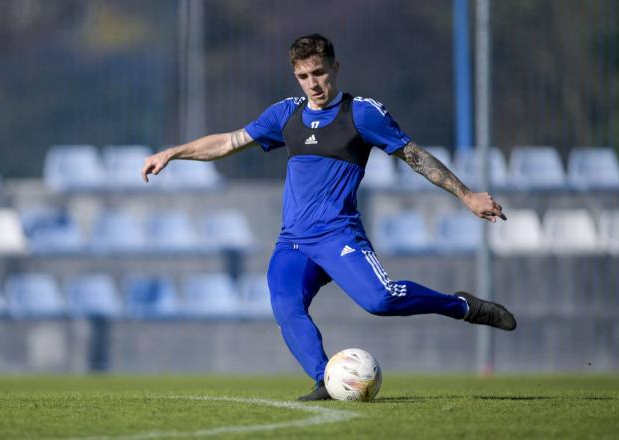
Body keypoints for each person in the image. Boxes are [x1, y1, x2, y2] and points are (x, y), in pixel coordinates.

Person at [142, 34, 516, 401]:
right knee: (286, 307)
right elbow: (228, 142)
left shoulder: (362, 114)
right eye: (304, 77)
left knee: (381, 301)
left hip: (339, 237)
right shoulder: (286, 114)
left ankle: (463, 306)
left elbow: (415, 157)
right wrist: (173, 153)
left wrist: (467, 196)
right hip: (293, 242)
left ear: (335, 68)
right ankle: (326, 379)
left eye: (319, 73)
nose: (313, 84)